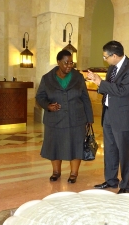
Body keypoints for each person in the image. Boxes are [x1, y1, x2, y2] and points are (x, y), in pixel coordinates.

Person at [87, 41, 129, 194]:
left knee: (123, 151)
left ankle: (125, 184)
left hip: (122, 116)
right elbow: (108, 89)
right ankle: (111, 180)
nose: (105, 60)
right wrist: (97, 82)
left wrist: (100, 82)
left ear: (115, 56)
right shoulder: (112, 68)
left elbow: (123, 90)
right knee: (109, 149)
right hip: (108, 113)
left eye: (106, 57)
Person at [35, 50, 93, 184]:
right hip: (55, 119)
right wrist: (48, 105)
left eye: (71, 62)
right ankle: (56, 172)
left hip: (76, 118)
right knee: (54, 146)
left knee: (76, 145)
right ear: (58, 62)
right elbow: (39, 97)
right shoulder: (47, 78)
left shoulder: (78, 77)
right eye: (66, 63)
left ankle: (74, 173)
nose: (69, 65)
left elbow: (85, 97)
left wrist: (89, 119)